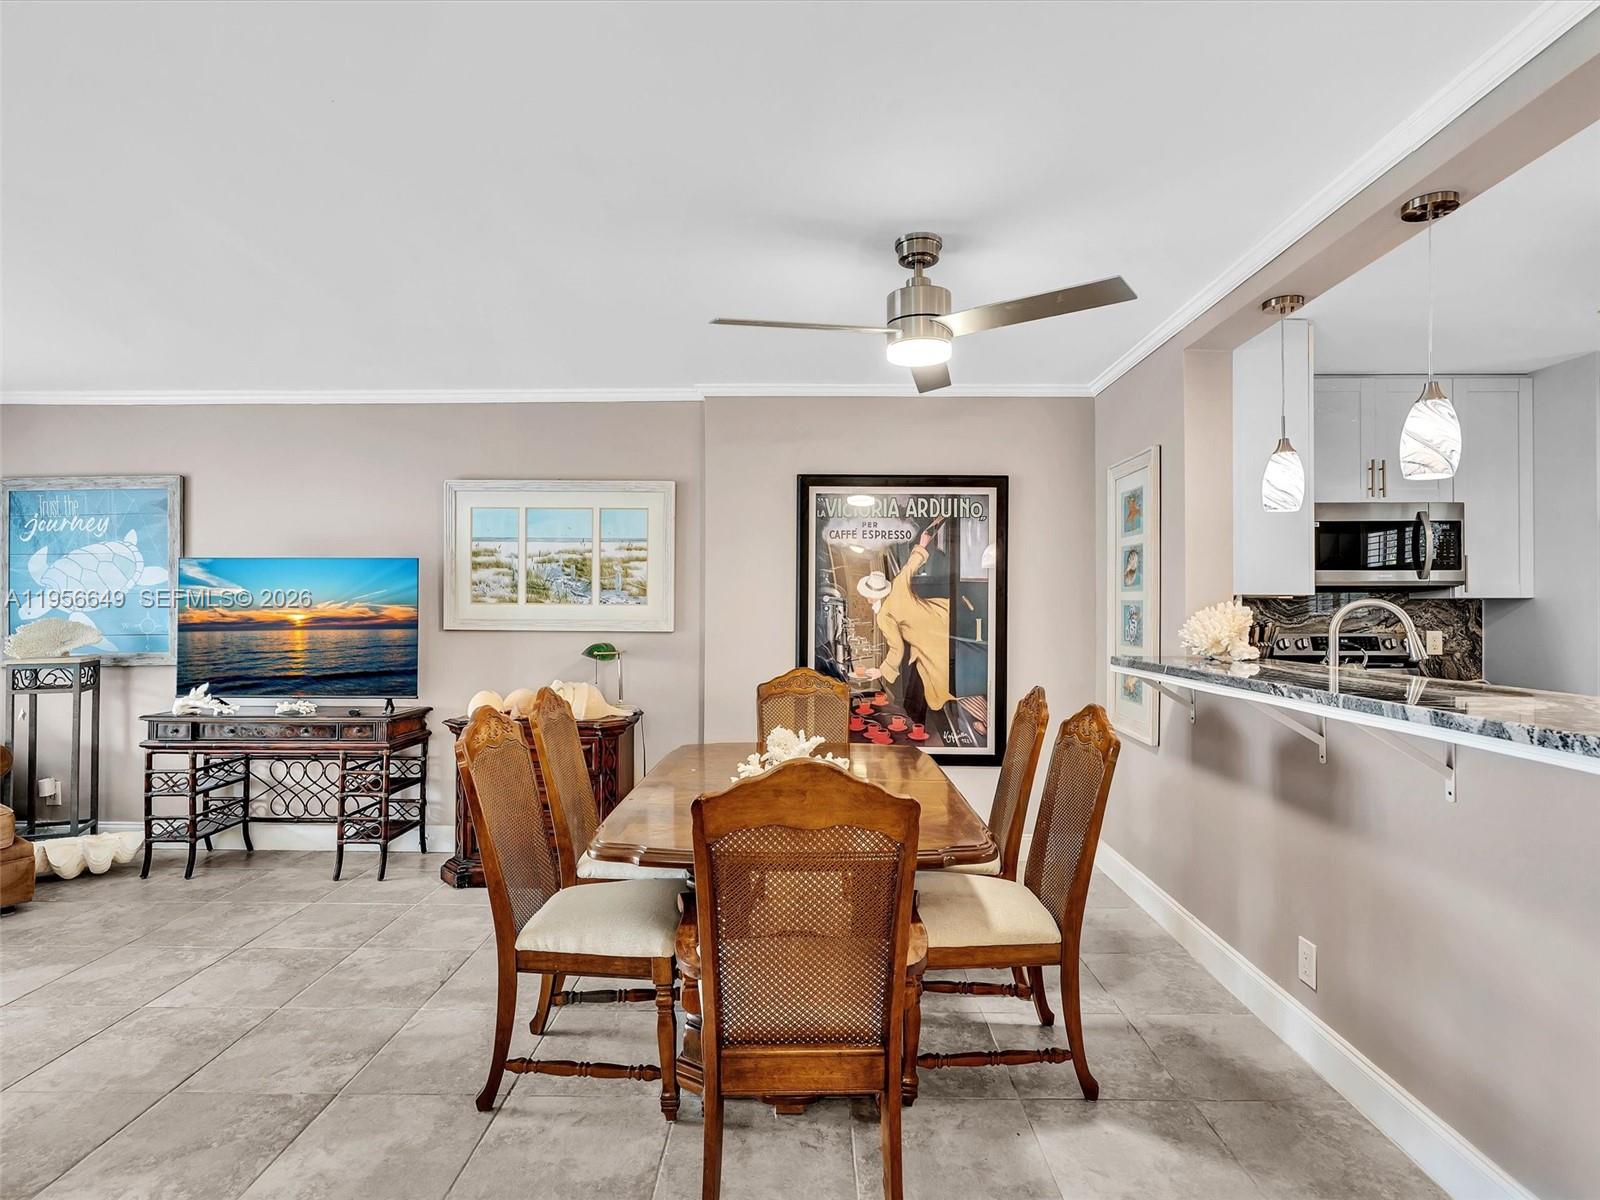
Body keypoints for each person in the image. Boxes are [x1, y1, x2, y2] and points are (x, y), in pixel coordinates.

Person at [857, 517, 955, 737]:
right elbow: (912, 563)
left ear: (871, 596)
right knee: (926, 680)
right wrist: (923, 543)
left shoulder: (884, 615)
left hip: (929, 642)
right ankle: (919, 723)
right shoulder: (899, 583)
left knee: (935, 681)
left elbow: (897, 649)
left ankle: (922, 726)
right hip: (943, 616)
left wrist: (881, 670)